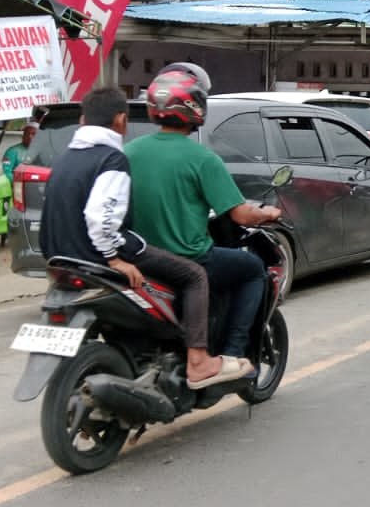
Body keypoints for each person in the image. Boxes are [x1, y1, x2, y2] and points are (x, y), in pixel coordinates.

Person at [39, 87, 233, 389]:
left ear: (82, 120)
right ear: (120, 120)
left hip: (63, 257)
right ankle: (199, 360)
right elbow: (100, 217)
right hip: (98, 255)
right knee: (194, 275)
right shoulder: (111, 158)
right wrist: (114, 258)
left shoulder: (66, 157)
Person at [124, 66, 286, 385]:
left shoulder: (128, 152)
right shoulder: (202, 159)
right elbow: (239, 214)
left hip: (139, 257)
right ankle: (231, 355)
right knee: (253, 268)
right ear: (194, 108)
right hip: (188, 258)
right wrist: (269, 214)